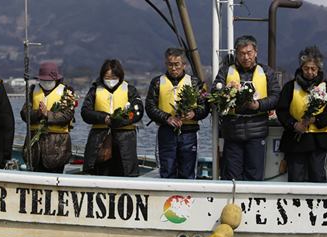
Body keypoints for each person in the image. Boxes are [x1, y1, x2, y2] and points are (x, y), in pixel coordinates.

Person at [213, 35, 280, 181]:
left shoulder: (266, 72)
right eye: (242, 53)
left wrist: (259, 105)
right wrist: (225, 92)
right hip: (232, 132)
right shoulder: (225, 72)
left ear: (256, 52)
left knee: (254, 176)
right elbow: (214, 94)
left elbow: (276, 96)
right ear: (236, 54)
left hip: (256, 131)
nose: (246, 57)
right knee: (231, 177)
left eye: (249, 53)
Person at [276, 46, 327, 182]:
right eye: (306, 68)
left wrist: (316, 119)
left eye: (313, 69)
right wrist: (293, 124)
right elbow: (282, 110)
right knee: (295, 176)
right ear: (301, 68)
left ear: (318, 69)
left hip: (319, 139)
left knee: (317, 175)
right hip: (296, 139)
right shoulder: (290, 87)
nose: (309, 72)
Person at [145, 48, 209, 179]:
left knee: (188, 172)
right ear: (166, 64)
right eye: (170, 64)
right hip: (166, 131)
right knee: (167, 170)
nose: (173, 68)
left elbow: (204, 107)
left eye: (177, 64)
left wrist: (194, 114)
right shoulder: (157, 82)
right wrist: (167, 118)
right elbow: (150, 107)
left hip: (189, 133)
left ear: (184, 65)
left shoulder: (194, 82)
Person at [81, 59, 143, 176]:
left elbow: (138, 111)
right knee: (100, 171)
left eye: (113, 77)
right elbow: (85, 112)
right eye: (107, 77)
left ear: (120, 76)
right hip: (100, 139)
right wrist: (104, 118)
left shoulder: (130, 90)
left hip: (125, 140)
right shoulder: (94, 90)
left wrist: (119, 121)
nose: (110, 80)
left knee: (125, 171)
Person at [20, 62, 75, 173]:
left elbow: (68, 115)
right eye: (43, 80)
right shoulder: (32, 91)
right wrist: (38, 113)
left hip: (58, 146)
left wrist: (48, 114)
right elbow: (24, 113)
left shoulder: (66, 92)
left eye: (49, 81)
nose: (46, 83)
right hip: (35, 146)